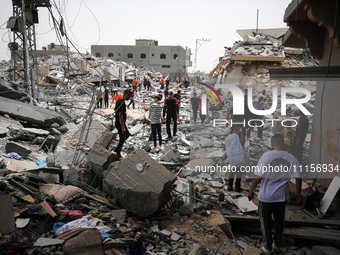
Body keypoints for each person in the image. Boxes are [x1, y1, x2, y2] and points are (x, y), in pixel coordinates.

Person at [248, 134, 301, 255]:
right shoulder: (291, 158)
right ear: (283, 143)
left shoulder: (267, 156)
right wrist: (298, 194)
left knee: (265, 221)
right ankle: (276, 245)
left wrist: (251, 189)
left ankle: (267, 247)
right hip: (281, 196)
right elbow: (298, 177)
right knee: (279, 221)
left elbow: (259, 177)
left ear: (273, 143)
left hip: (266, 196)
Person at [225, 124, 246, 192]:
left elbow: (243, 142)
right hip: (235, 155)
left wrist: (241, 134)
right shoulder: (232, 135)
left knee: (238, 171)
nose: (240, 127)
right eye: (239, 126)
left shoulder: (238, 134)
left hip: (238, 155)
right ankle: (231, 186)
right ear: (235, 126)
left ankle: (236, 186)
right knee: (234, 171)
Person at [113, 89, 132, 158]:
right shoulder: (121, 102)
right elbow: (120, 116)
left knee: (127, 135)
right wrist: (123, 127)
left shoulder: (119, 101)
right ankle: (118, 152)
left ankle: (117, 149)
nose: (129, 98)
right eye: (129, 96)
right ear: (126, 94)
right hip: (120, 123)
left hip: (120, 122)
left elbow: (115, 109)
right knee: (123, 137)